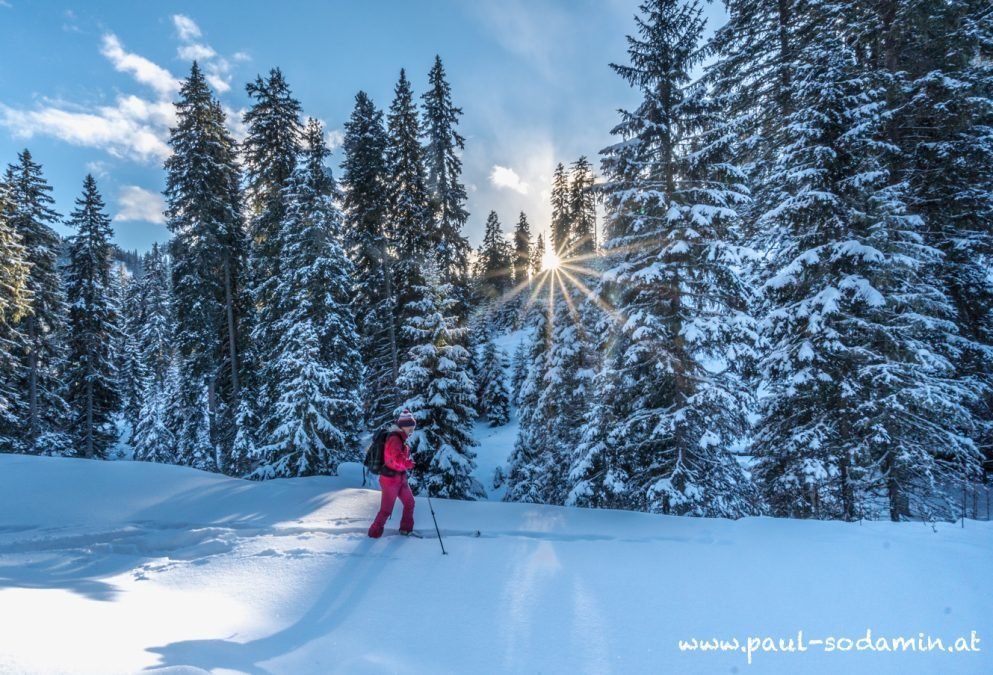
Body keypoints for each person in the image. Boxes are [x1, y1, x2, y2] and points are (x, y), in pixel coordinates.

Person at [367, 409, 417, 538]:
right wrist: (409, 464)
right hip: (390, 480)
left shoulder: (402, 438)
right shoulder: (394, 438)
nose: (412, 429)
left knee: (409, 503)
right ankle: (374, 533)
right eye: (410, 426)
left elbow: (400, 458)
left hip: (401, 478)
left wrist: (408, 463)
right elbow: (394, 459)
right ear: (402, 426)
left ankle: (406, 530)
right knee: (386, 510)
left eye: (413, 426)